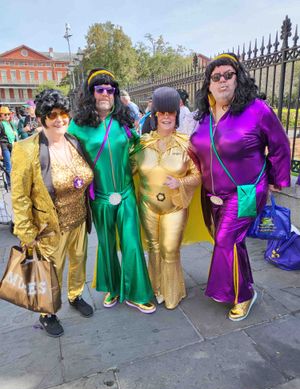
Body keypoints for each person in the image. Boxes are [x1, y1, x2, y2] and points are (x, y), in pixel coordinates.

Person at [190, 53, 291, 321]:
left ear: (238, 79)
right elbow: (196, 149)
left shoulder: (257, 109)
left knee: (226, 239)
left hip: (246, 191)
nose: (222, 81)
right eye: (216, 77)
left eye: (228, 75)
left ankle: (242, 296)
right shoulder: (204, 116)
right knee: (233, 241)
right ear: (209, 84)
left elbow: (280, 145)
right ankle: (243, 287)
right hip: (213, 194)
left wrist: (278, 179)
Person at [68, 68, 156, 314]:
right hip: (100, 198)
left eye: (110, 89)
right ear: (91, 93)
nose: (105, 93)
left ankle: (137, 293)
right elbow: (69, 160)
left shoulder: (124, 121)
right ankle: (113, 288)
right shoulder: (77, 126)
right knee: (106, 245)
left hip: (126, 193)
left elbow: (139, 150)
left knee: (131, 243)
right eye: (100, 89)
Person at [11, 89, 94, 338]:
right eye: (52, 115)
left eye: (63, 113)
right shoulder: (26, 150)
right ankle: (47, 313)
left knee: (79, 261)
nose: (59, 119)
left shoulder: (73, 141)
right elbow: (20, 195)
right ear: (42, 119)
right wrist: (26, 233)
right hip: (49, 227)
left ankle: (75, 295)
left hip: (78, 219)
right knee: (50, 271)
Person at [132, 87, 201, 309]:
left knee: (170, 250)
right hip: (147, 205)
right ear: (155, 116)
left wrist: (180, 182)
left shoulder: (186, 144)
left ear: (176, 115)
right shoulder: (142, 144)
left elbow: (198, 175)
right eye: (161, 113)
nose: (166, 117)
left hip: (175, 206)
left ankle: (172, 293)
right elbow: (125, 170)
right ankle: (155, 288)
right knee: (153, 248)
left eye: (170, 113)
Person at [0, 106, 18, 187]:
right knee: (8, 165)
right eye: (5, 114)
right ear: (1, 115)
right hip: (4, 145)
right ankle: (10, 184)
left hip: (13, 145)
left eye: (8, 114)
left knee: (15, 164)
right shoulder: (1, 124)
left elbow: (16, 134)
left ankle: (15, 182)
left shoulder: (11, 123)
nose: (7, 116)